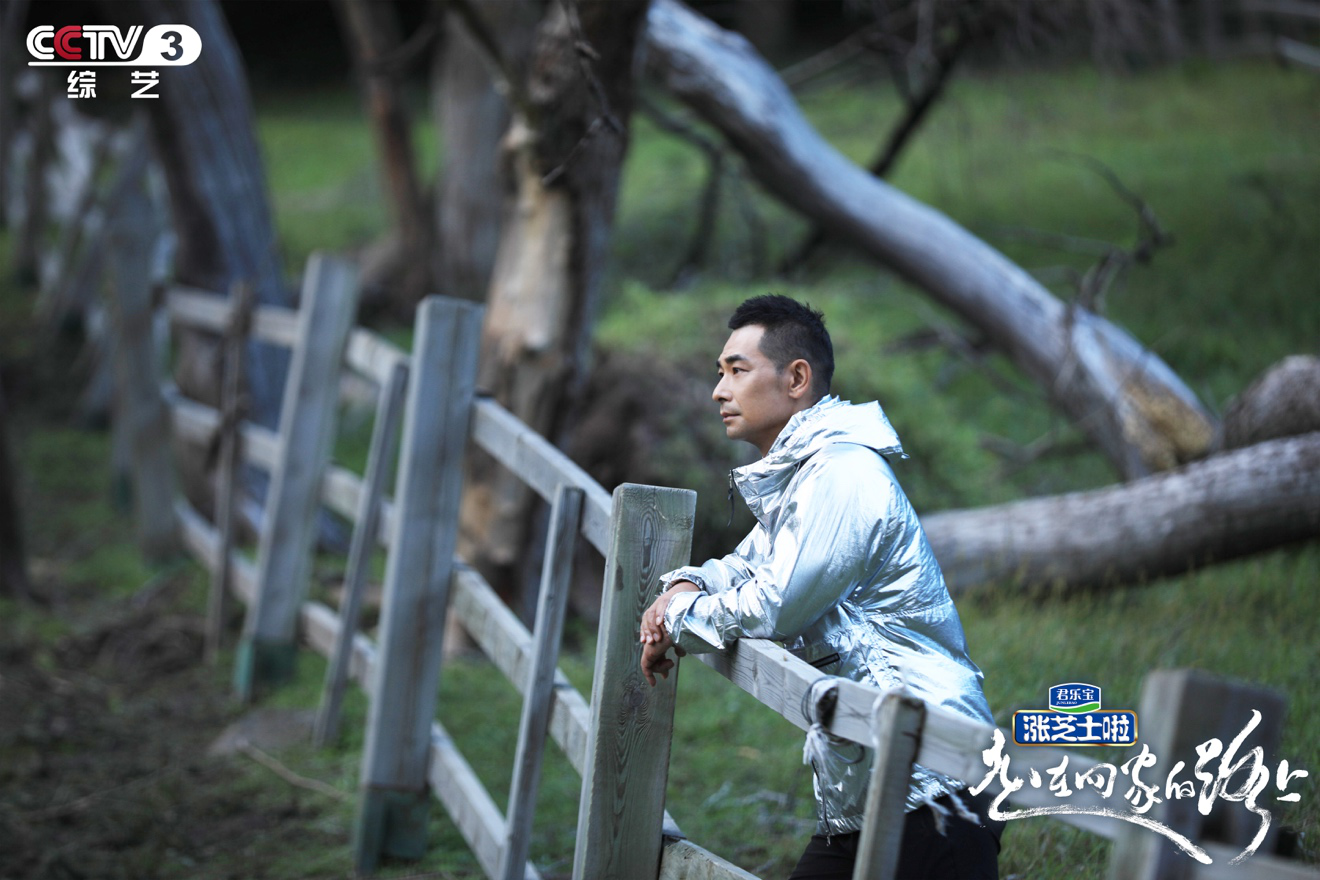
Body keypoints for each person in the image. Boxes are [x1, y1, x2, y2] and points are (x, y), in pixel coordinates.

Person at [638, 295, 1000, 879]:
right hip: (873, 788)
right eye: (719, 373)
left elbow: (775, 604)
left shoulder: (843, 474)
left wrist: (676, 620)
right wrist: (683, 585)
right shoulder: (806, 476)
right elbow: (745, 566)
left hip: (932, 778)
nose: (718, 391)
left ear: (797, 378)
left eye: (737, 370)